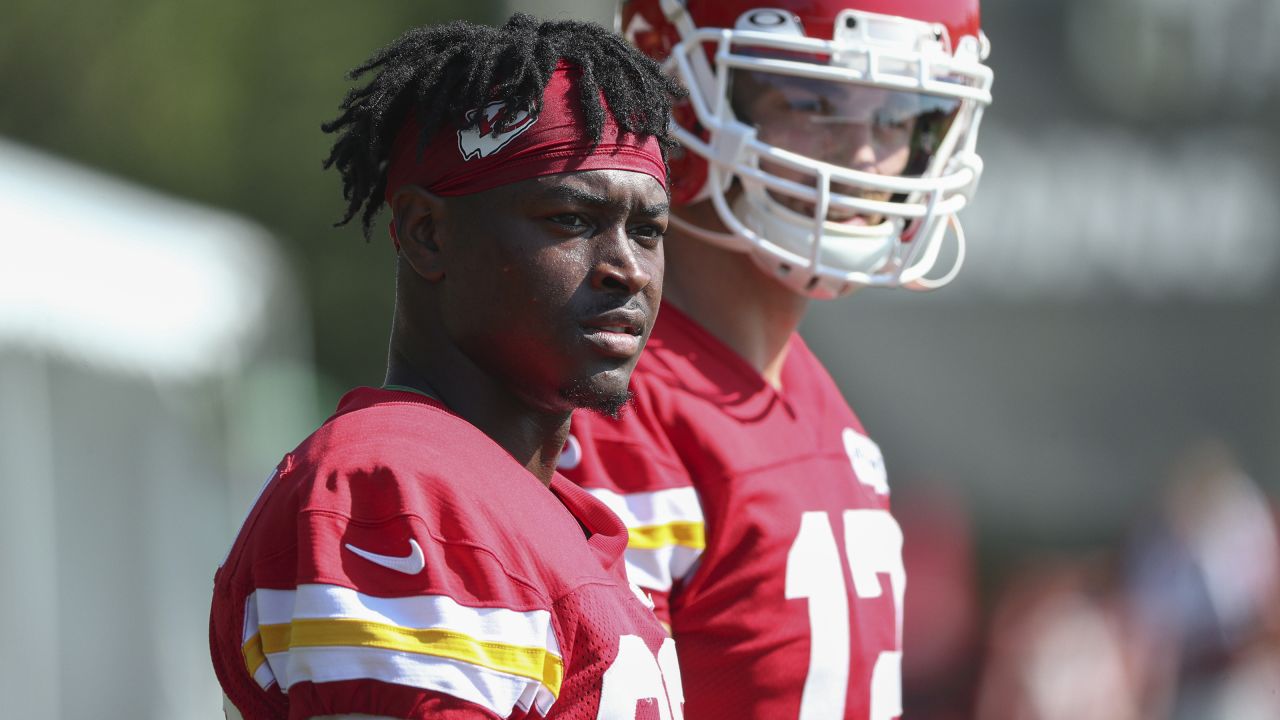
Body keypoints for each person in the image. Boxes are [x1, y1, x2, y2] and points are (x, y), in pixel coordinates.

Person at [209, 14, 689, 720]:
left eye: (647, 230)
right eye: (572, 219)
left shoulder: (534, 507)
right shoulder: (399, 491)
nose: (627, 269)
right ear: (428, 234)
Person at [557, 1, 994, 718]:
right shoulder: (616, 411)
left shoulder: (809, 394)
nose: (865, 156)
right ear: (676, 92)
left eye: (899, 114)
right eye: (814, 100)